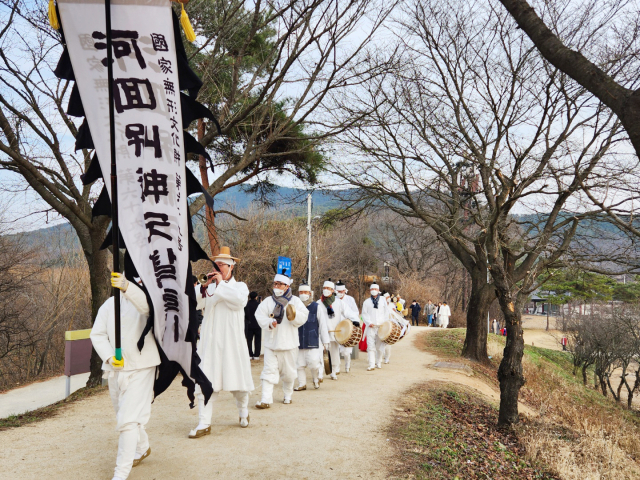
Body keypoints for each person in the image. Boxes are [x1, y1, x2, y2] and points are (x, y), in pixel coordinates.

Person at [90, 272, 160, 480]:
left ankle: (120, 473)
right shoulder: (110, 305)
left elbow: (149, 309)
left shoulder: (150, 300)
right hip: (117, 369)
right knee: (124, 413)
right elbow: (98, 333)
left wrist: (128, 287)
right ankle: (143, 446)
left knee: (127, 420)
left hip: (142, 366)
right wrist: (110, 357)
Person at [190, 247, 254, 438]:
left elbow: (239, 301)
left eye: (221, 265)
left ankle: (243, 411)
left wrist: (220, 284)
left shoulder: (240, 287)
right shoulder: (208, 288)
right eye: (215, 265)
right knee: (205, 381)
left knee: (239, 383)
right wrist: (204, 285)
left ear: (231, 267)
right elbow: (192, 301)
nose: (217, 268)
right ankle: (204, 422)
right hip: (210, 342)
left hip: (232, 341)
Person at [255, 271, 309, 408]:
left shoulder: (295, 301)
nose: (277, 286)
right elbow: (259, 315)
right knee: (268, 371)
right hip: (271, 344)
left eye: (280, 284)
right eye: (275, 283)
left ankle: (288, 394)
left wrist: (294, 317)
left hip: (289, 344)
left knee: (289, 373)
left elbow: (304, 315)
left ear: (287, 286)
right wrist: (269, 322)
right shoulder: (268, 301)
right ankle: (266, 399)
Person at [316, 279, 359, 379]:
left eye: (328, 288)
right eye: (324, 288)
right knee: (321, 353)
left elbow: (349, 312)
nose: (326, 290)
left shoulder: (339, 303)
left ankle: (334, 371)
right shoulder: (318, 303)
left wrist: (355, 320)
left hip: (335, 332)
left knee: (335, 353)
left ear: (332, 290)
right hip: (322, 332)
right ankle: (320, 372)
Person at [295, 283, 329, 391]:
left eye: (305, 292)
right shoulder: (295, 306)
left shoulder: (316, 307)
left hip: (313, 340)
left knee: (314, 363)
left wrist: (325, 342)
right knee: (299, 365)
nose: (303, 294)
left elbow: (323, 325)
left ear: (309, 293)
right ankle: (302, 384)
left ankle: (315, 379)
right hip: (298, 340)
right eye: (301, 292)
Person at [361, 283, 391, 371]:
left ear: (378, 291)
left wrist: (385, 322)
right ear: (370, 290)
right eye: (372, 289)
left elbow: (386, 312)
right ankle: (371, 364)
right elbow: (364, 314)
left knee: (379, 346)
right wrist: (368, 322)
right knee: (370, 346)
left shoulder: (383, 300)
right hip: (371, 327)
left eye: (375, 289)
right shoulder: (366, 302)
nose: (374, 290)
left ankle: (378, 362)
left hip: (381, 327)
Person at [335, 280, 360, 373]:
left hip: (347, 327)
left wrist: (353, 320)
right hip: (336, 327)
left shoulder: (350, 299)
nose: (340, 293)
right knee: (335, 349)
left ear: (345, 290)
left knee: (345, 351)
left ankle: (347, 364)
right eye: (338, 291)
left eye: (341, 291)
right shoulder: (332, 300)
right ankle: (336, 368)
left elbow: (355, 312)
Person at [244, 291, 261, 360]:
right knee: (257, 340)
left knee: (249, 340)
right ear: (256, 297)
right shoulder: (259, 304)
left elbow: (245, 314)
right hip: (257, 325)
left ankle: (250, 354)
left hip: (249, 324)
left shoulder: (246, 304)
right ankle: (256, 355)